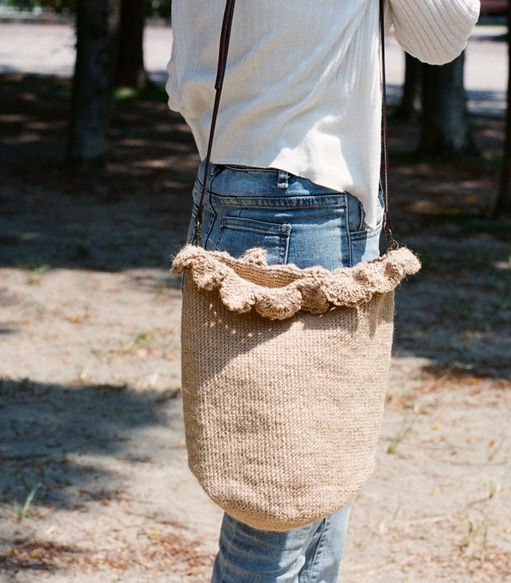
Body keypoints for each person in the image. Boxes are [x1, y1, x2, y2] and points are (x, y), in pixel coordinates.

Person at [166, 1, 479, 581]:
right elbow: (443, 33)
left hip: (229, 170)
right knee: (279, 514)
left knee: (312, 485)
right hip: (304, 199)